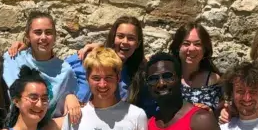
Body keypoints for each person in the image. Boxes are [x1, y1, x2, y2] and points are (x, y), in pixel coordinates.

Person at [9, 16, 156, 118]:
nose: (125, 42)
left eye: (131, 38)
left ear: (138, 43)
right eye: (120, 36)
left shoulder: (137, 75)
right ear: (113, 38)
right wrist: (29, 46)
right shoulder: (85, 59)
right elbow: (53, 69)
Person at [2, 10, 80, 122]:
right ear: (28, 36)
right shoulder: (12, 59)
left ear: (55, 36)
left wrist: (71, 97)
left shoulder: (65, 71)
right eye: (38, 32)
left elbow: (74, 103)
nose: (43, 37)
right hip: (14, 129)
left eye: (48, 32)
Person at [169, 22, 222, 112]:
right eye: (186, 43)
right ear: (178, 47)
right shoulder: (167, 77)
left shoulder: (214, 80)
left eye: (197, 44)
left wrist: (209, 112)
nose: (192, 49)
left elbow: (221, 113)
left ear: (205, 49)